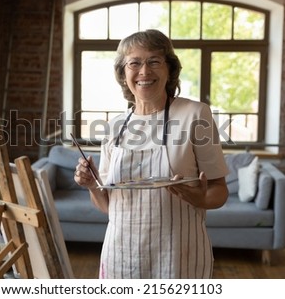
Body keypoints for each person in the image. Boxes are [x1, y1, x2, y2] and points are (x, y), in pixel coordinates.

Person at [74, 29, 229, 279]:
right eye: (134, 63)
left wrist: (199, 198)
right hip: (121, 256)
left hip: (179, 255)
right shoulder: (114, 127)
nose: (144, 71)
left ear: (169, 70)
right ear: (124, 74)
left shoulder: (195, 114)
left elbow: (220, 190)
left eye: (154, 61)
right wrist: (93, 185)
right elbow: (109, 207)